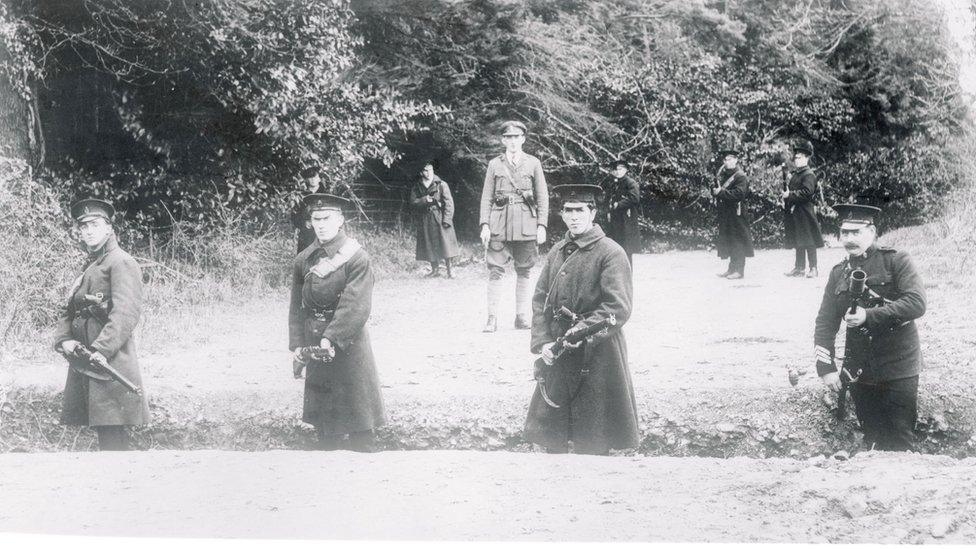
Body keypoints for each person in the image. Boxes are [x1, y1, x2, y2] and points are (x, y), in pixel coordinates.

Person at [524, 184, 638, 455]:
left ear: (593, 212)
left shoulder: (612, 252)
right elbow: (540, 299)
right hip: (559, 351)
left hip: (598, 353)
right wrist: (543, 343)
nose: (574, 216)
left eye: (580, 210)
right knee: (553, 438)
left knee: (594, 435)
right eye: (568, 211)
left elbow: (617, 307)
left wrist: (581, 331)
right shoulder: (557, 251)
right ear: (561, 214)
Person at [814, 204, 926, 452]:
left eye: (856, 232)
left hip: (899, 365)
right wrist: (826, 367)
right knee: (872, 437)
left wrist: (869, 316)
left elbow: (916, 303)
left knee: (900, 437)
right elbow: (825, 321)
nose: (849, 239)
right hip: (860, 369)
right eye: (844, 233)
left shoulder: (896, 260)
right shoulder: (839, 273)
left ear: (872, 231)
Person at [288, 193, 386, 451]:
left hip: (349, 341)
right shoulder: (303, 260)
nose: (320, 224)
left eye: (326, 218)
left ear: (340, 220)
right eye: (315, 218)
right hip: (315, 339)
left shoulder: (356, 257)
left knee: (360, 423)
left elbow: (356, 304)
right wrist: (298, 344)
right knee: (325, 428)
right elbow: (297, 307)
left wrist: (330, 337)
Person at [53, 198, 149, 451]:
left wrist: (100, 350)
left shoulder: (121, 262)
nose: (88, 231)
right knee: (103, 430)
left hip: (109, 359)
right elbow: (69, 308)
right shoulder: (90, 268)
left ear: (108, 227)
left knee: (112, 432)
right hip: (87, 357)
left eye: (94, 224)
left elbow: (125, 314)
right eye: (83, 227)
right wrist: (64, 341)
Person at [479, 120, 550, 332]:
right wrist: (484, 225)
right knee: (495, 270)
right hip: (499, 224)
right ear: (503, 140)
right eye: (508, 137)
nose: (512, 141)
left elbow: (542, 197)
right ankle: (492, 318)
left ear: (523, 139)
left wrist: (542, 226)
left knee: (525, 271)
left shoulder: (533, 163)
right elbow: (486, 198)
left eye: (516, 137)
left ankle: (521, 317)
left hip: (526, 224)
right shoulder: (494, 164)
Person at [409, 159, 460, 278]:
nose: (428, 172)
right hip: (425, 218)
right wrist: (424, 200)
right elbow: (412, 202)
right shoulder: (417, 186)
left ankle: (450, 270)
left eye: (430, 169)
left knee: (446, 244)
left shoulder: (441, 184)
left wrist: (447, 219)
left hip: (440, 217)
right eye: (426, 170)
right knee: (429, 244)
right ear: (421, 172)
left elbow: (449, 203)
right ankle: (435, 270)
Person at [782, 139, 825, 277]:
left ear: (806, 158)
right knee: (798, 240)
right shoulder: (797, 174)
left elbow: (807, 193)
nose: (797, 160)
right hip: (796, 211)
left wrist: (790, 195)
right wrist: (786, 197)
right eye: (796, 158)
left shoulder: (808, 174)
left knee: (809, 241)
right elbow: (792, 191)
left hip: (805, 211)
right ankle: (799, 268)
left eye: (800, 158)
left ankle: (814, 268)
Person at [711, 147, 754, 279]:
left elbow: (738, 194)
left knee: (738, 240)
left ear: (735, 160)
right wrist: (714, 190)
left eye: (729, 159)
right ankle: (731, 268)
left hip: (738, 213)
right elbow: (719, 191)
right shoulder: (724, 174)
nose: (726, 162)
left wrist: (721, 192)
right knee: (730, 239)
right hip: (727, 213)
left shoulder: (740, 176)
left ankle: (739, 270)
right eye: (725, 159)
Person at [601, 159, 641, 266]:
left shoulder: (630, 183)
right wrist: (607, 208)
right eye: (615, 170)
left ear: (626, 170)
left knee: (626, 249)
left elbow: (634, 198)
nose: (618, 172)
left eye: (620, 169)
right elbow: (607, 198)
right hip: (614, 220)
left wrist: (618, 204)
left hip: (626, 220)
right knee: (614, 248)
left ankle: (627, 275)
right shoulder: (613, 183)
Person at [290, 167, 326, 253]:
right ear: (306, 179)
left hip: (322, 230)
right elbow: (294, 215)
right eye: (310, 177)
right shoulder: (300, 195)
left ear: (319, 179)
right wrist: (303, 223)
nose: (313, 180)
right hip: (306, 232)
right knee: (304, 257)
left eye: (315, 177)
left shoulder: (326, 194)